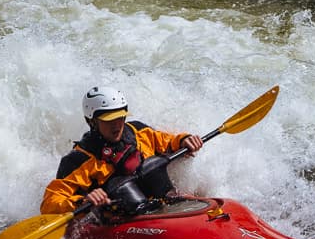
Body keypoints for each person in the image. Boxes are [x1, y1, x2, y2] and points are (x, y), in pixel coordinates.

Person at [40, 86, 203, 215]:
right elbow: (49, 203)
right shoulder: (78, 160)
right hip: (121, 219)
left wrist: (183, 140)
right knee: (118, 184)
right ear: (92, 121)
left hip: (160, 204)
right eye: (109, 120)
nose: (117, 124)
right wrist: (82, 201)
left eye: (120, 117)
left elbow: (167, 141)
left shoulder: (137, 131)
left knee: (151, 166)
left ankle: (174, 201)